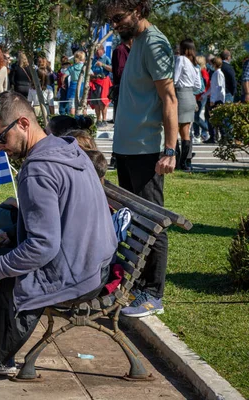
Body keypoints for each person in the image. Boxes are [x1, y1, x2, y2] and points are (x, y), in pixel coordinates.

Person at [0, 91, 117, 388]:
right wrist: (14, 234)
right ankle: (1, 357)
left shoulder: (37, 170)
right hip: (95, 263)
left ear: (24, 124)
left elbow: (43, 246)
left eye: (1, 138)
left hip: (75, 274)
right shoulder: (68, 149)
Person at [107, 0, 177, 317]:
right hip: (127, 149)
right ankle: (137, 287)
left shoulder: (155, 42)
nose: (114, 25)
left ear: (138, 10)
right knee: (133, 222)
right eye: (111, 20)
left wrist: (170, 150)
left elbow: (169, 97)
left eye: (118, 18)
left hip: (146, 149)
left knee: (152, 222)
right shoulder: (136, 44)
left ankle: (153, 294)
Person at [174, 38, 202, 171]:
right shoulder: (193, 63)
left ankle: (176, 160)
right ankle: (184, 162)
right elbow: (198, 85)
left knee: (174, 129)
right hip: (190, 95)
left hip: (180, 94)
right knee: (185, 132)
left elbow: (175, 78)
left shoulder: (181, 59)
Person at [111, 33, 132, 124]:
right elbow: (120, 71)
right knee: (123, 121)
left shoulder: (128, 50)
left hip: (128, 88)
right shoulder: (120, 50)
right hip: (122, 88)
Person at [90, 44, 113, 127]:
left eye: (98, 50)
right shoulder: (94, 59)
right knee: (95, 102)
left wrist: (102, 65)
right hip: (94, 81)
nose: (96, 52)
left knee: (102, 101)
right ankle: (98, 119)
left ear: (102, 50)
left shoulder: (106, 58)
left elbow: (112, 69)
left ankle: (104, 119)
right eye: (95, 50)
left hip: (103, 81)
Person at [205, 57, 225, 142]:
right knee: (212, 118)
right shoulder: (215, 73)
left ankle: (222, 136)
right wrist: (204, 95)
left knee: (216, 119)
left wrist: (212, 99)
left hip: (217, 100)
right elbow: (213, 87)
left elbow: (218, 87)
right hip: (215, 98)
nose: (211, 65)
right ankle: (214, 136)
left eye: (212, 64)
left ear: (215, 64)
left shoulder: (218, 73)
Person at [192, 55, 210, 142]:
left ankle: (207, 129)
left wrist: (202, 95)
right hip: (198, 96)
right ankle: (197, 134)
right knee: (195, 116)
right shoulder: (201, 71)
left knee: (196, 117)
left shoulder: (203, 72)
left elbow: (205, 85)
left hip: (200, 96)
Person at [65, 50, 87, 115]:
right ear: (83, 58)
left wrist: (63, 83)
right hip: (83, 87)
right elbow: (91, 74)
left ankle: (73, 121)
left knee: (72, 106)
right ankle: (85, 121)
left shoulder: (72, 67)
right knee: (83, 106)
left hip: (73, 87)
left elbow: (64, 76)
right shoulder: (85, 67)